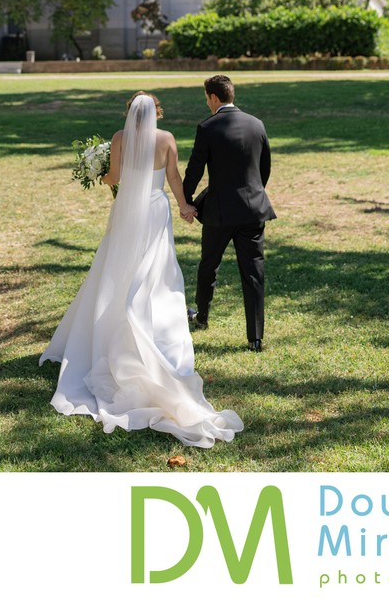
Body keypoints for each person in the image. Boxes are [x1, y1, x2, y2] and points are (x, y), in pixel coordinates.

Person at [39, 91, 243, 448]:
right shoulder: (166, 140)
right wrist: (185, 207)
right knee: (156, 271)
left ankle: (116, 321)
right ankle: (151, 322)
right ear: (157, 113)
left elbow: (114, 178)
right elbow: (175, 179)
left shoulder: (120, 138)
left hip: (128, 212)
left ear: (129, 113)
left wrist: (100, 172)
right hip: (155, 211)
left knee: (116, 268)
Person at [182, 75, 275, 352]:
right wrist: (254, 194)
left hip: (220, 212)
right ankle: (255, 338)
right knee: (254, 272)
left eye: (206, 98)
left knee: (209, 264)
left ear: (213, 97)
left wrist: (186, 201)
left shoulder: (208, 127)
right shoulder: (256, 124)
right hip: (253, 209)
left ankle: (202, 317)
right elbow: (265, 167)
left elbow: (195, 170)